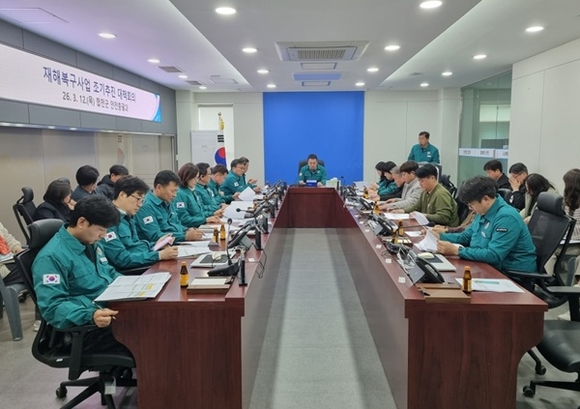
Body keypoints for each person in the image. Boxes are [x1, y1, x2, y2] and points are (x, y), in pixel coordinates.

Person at [32, 195, 131, 354]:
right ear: (82, 222)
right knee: (148, 334)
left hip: (108, 312)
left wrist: (133, 284)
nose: (103, 235)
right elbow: (53, 307)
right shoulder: (51, 258)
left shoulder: (89, 242)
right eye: (101, 230)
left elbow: (108, 271)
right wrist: (91, 315)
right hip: (85, 330)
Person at [436, 175, 537, 274]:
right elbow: (466, 236)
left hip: (511, 274)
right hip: (487, 266)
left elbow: (494, 255)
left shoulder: (507, 217)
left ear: (486, 199)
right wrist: (439, 236)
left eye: (471, 205)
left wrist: (457, 251)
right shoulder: (483, 211)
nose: (471, 209)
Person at [102, 175, 178, 270]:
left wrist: (156, 245)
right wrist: (158, 255)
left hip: (141, 264)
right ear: (122, 195)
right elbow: (121, 259)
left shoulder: (128, 216)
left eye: (142, 200)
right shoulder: (107, 220)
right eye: (138, 199)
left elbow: (135, 246)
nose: (140, 205)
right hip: (129, 271)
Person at [135, 170, 203, 243]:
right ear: (159, 187)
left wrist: (187, 230)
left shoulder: (167, 201)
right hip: (161, 246)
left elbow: (176, 224)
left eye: (176, 191)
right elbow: (155, 236)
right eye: (172, 191)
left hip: (176, 242)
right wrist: (184, 236)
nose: (175, 195)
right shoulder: (146, 206)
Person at [393, 164, 459, 226]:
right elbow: (416, 207)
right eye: (419, 181)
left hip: (444, 228)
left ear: (432, 178)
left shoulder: (441, 194)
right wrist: (403, 211)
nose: (420, 184)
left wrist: (424, 216)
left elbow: (444, 218)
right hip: (430, 225)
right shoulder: (425, 191)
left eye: (422, 181)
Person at [174, 163, 221, 228]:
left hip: (199, 226)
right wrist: (205, 220)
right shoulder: (180, 194)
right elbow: (183, 219)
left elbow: (199, 213)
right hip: (190, 229)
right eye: (194, 178)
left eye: (197, 177)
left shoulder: (191, 191)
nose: (196, 181)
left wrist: (211, 214)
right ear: (187, 178)